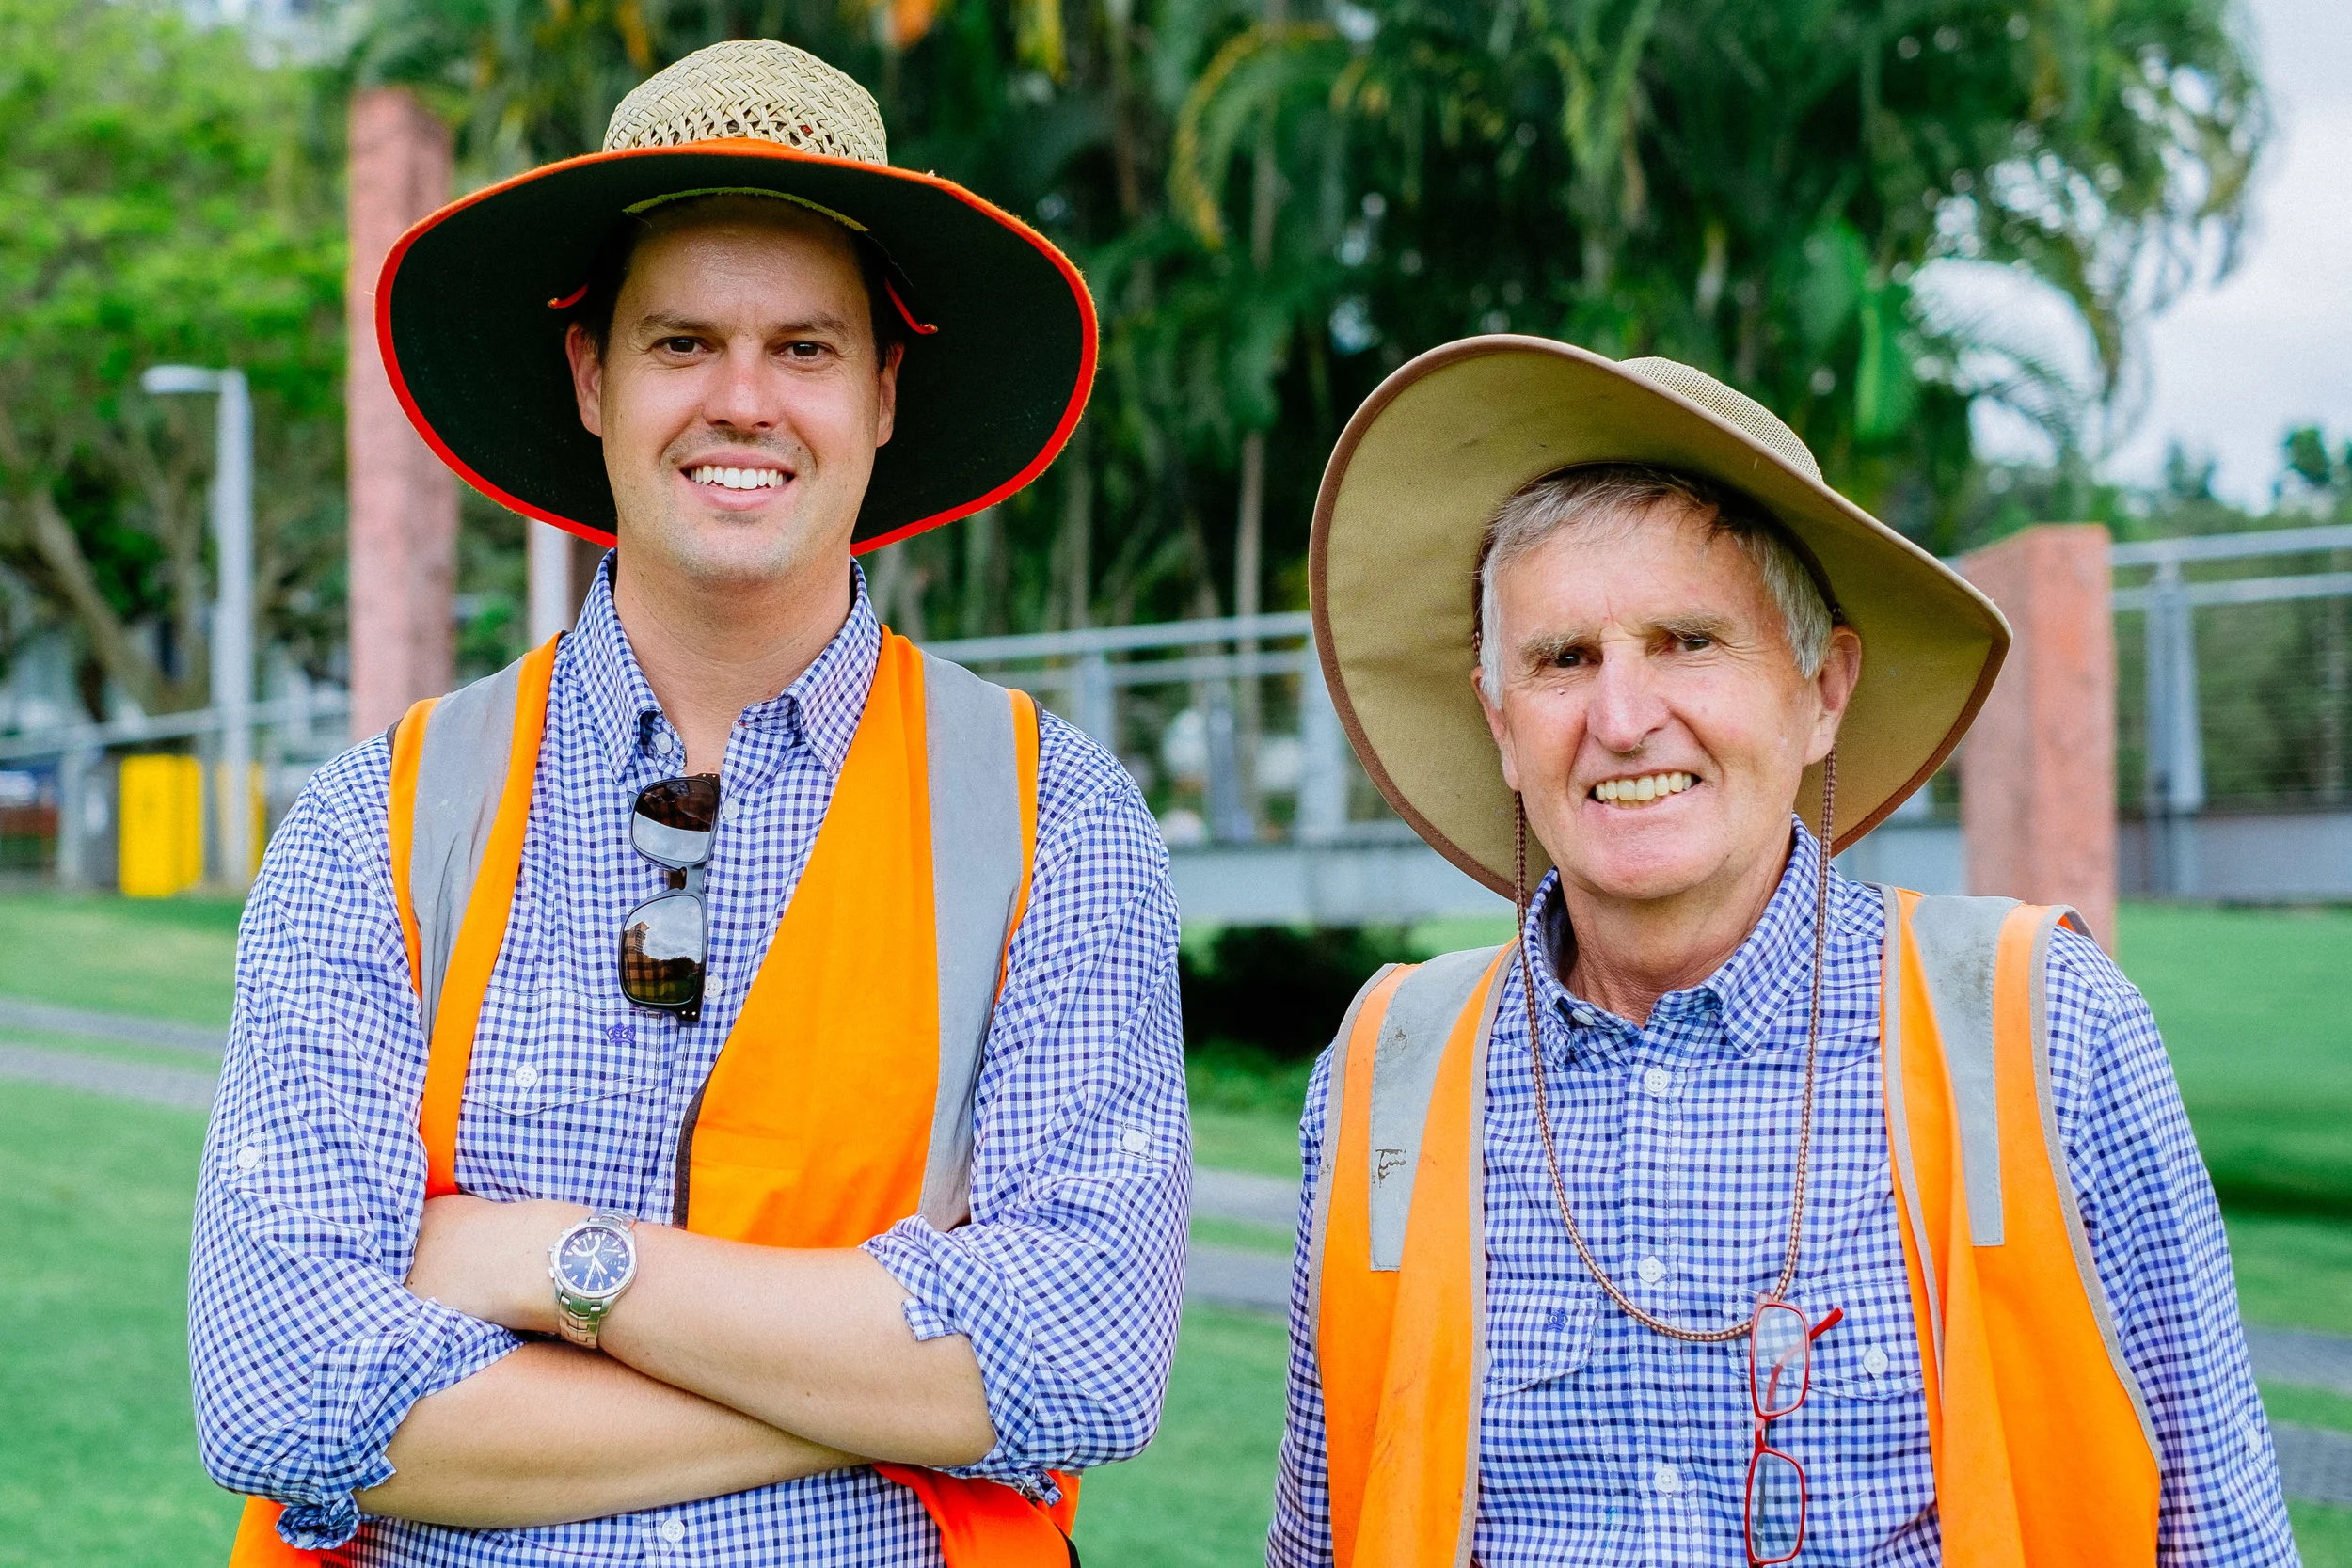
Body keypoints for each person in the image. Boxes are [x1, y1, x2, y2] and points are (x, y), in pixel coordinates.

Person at [189, 40, 1187, 1567]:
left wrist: (548, 1264)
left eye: (803, 347)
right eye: (680, 343)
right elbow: (282, 1385)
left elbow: (1086, 1357)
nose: (743, 401)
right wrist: (895, 1383)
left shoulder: (1054, 818)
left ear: (883, 389)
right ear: (591, 375)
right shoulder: (374, 826)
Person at [1269, 338, 2295, 1565]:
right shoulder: (1387, 1070)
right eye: (1563, 660)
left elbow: (2225, 1536)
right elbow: (1318, 1536)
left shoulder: (2046, 1029)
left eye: (1688, 640)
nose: (1623, 716)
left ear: (1824, 687)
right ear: (1499, 722)